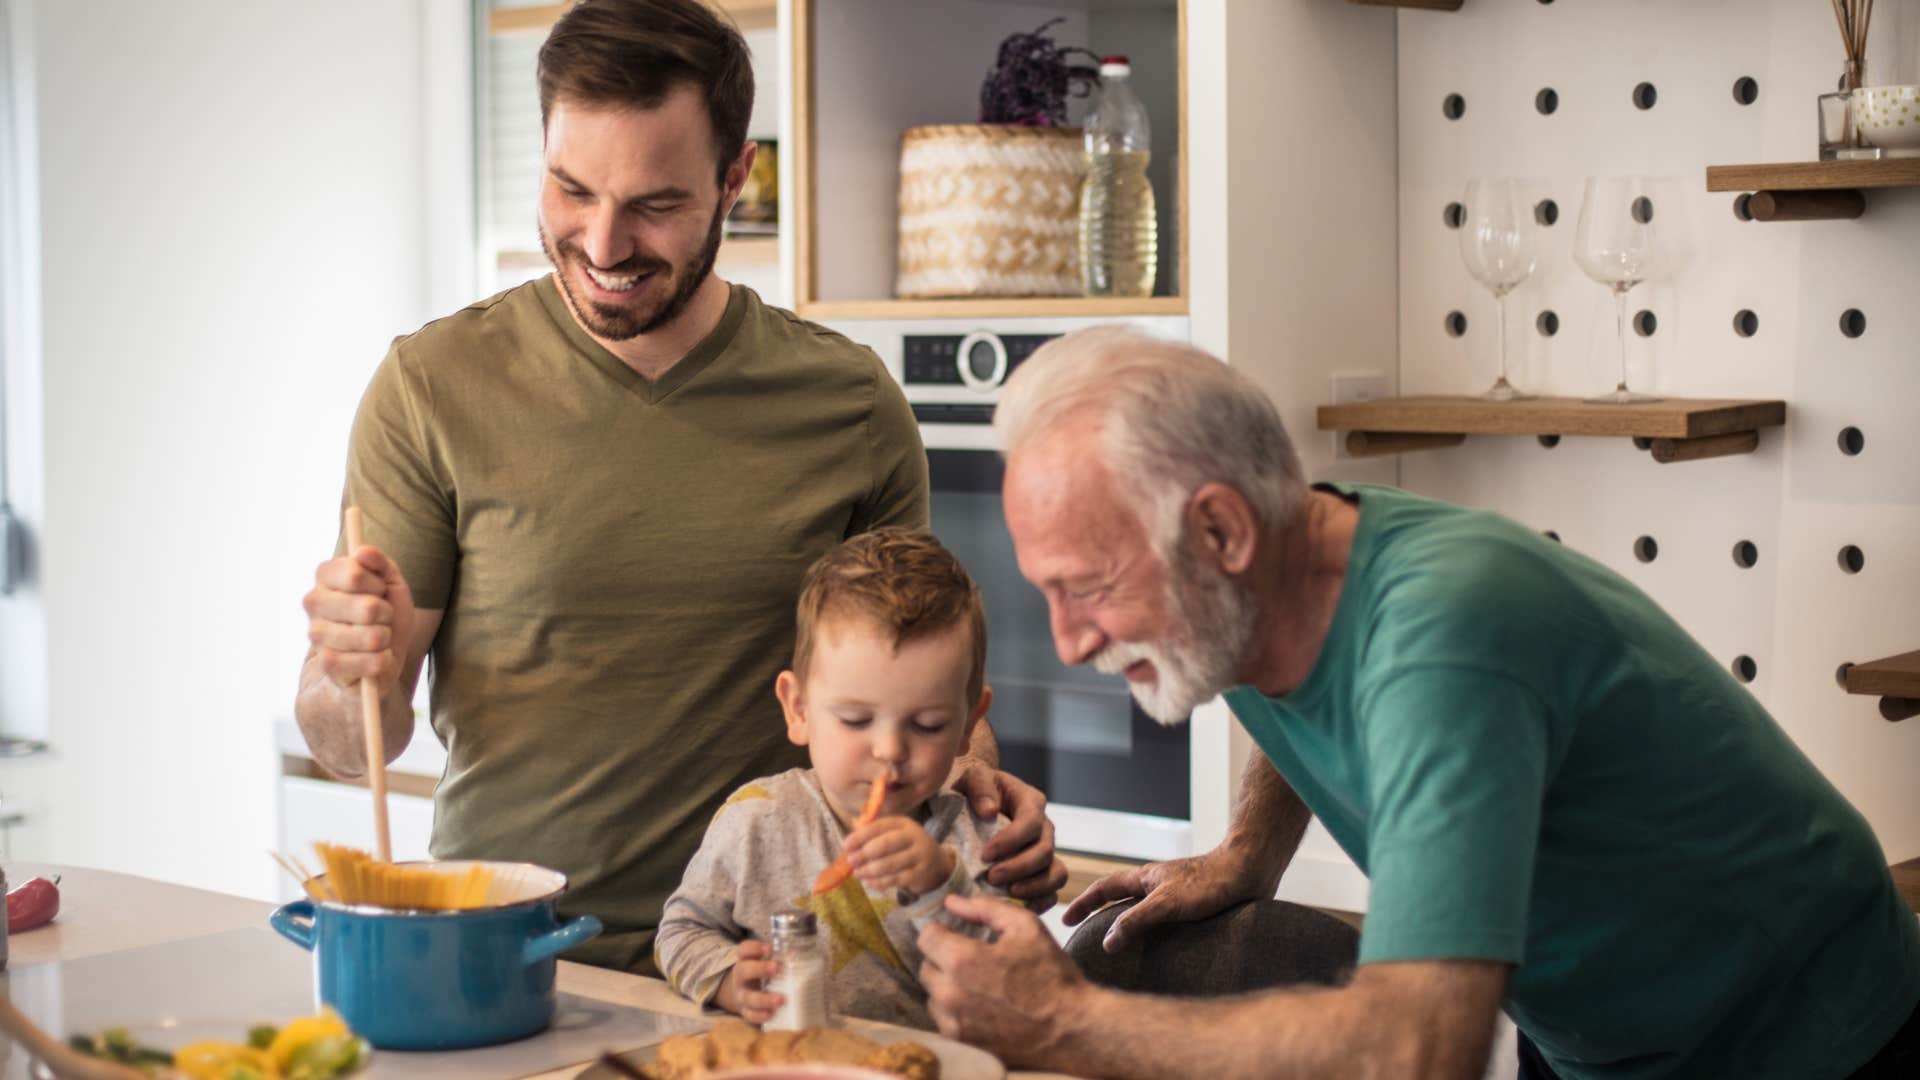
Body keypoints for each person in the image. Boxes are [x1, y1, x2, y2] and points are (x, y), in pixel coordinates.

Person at [915, 326, 1920, 1079]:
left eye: (1085, 589)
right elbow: (1295, 683)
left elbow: (1419, 1047)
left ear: (1221, 533)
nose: (1068, 640)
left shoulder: (1449, 639)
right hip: (1599, 1037)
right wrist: (1247, 856)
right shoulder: (1279, 576)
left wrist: (1060, 1022)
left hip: (1802, 1036)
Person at [294, 0, 1063, 976]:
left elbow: (922, 676)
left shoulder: (849, 403)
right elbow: (352, 743)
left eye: (655, 204)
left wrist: (982, 790)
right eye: (572, 190)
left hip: (774, 967)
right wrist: (344, 669)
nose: (604, 244)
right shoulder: (432, 387)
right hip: (511, 958)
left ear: (735, 178)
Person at [656, 528, 1009, 1029]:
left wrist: (936, 884)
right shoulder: (755, 820)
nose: (889, 750)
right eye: (856, 720)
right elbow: (681, 931)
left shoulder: (979, 838)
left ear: (968, 727)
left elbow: (1009, 985)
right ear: (798, 709)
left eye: (927, 725)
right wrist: (728, 977)